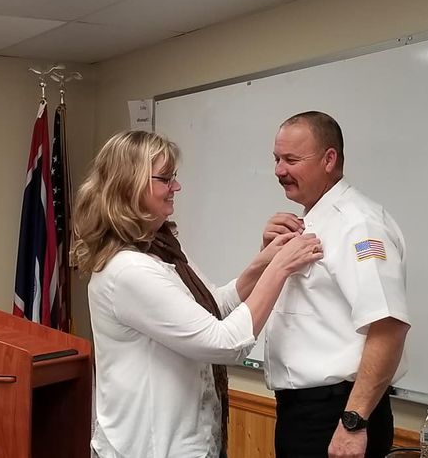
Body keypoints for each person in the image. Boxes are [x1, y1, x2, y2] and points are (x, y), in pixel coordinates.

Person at [71, 130, 323, 458]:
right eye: (166, 178)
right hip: (149, 448)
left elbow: (211, 305)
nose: (176, 187)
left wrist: (264, 262)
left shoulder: (163, 250)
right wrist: (280, 270)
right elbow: (223, 342)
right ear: (128, 186)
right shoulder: (128, 270)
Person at [261, 111, 411, 458]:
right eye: (276, 159)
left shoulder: (359, 225)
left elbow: (388, 326)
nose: (279, 171)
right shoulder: (310, 221)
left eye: (291, 160)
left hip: (338, 416)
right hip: (301, 413)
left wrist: (353, 423)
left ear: (330, 159)